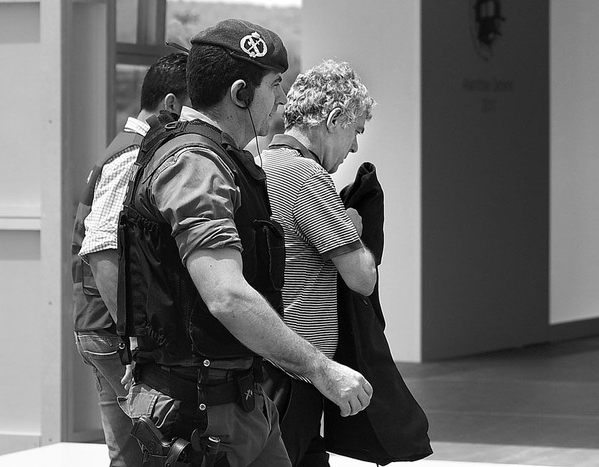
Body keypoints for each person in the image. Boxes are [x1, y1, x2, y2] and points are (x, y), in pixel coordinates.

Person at [116, 20, 373, 467]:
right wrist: (320, 368)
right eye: (275, 86)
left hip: (238, 400)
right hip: (202, 413)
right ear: (240, 93)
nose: (282, 101)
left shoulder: (225, 159)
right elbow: (227, 296)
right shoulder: (195, 166)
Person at [71, 52, 188, 467]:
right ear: (171, 105)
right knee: (157, 451)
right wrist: (132, 340)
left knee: (129, 457)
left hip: (99, 328)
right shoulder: (131, 155)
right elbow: (101, 247)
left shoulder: (126, 149)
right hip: (111, 333)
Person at [259, 60, 377, 466]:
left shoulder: (258, 163)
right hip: (296, 372)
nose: (356, 148)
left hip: (270, 363)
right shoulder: (306, 176)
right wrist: (356, 228)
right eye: (355, 131)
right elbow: (362, 279)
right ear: (333, 119)